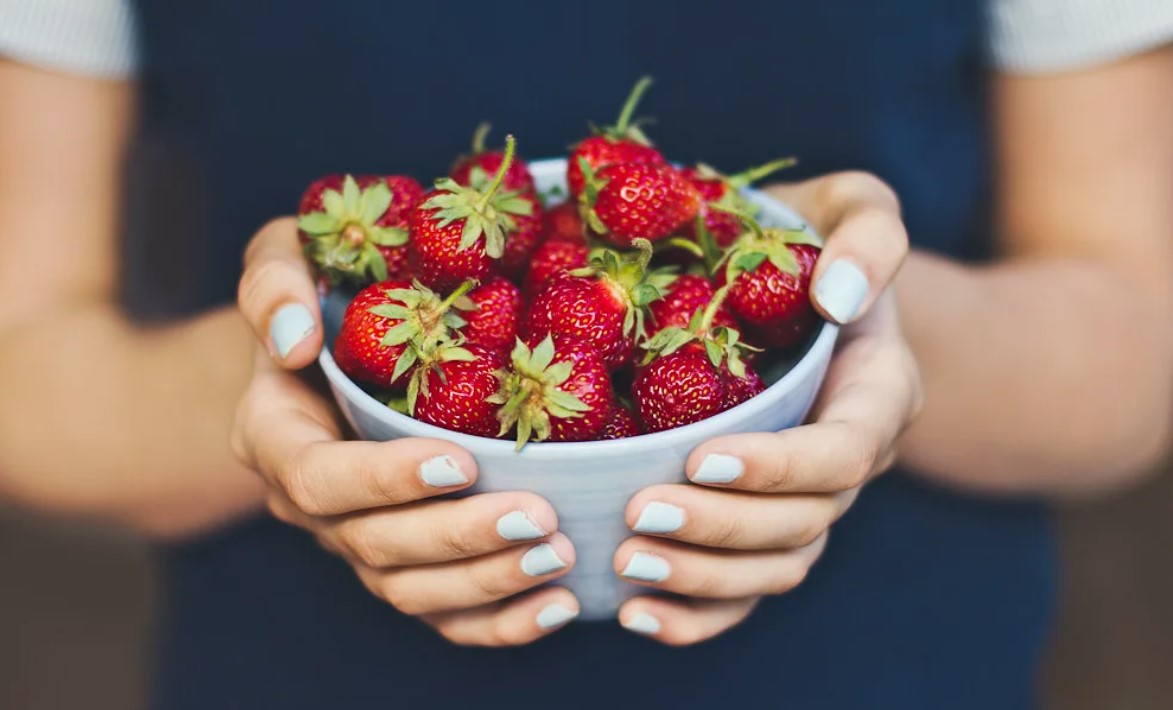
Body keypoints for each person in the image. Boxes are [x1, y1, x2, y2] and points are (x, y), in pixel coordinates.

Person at [1, 1, 1170, 708]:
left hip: (889, 667)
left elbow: (1134, 348)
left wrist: (853, 322)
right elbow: (27, 373)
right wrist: (299, 375)